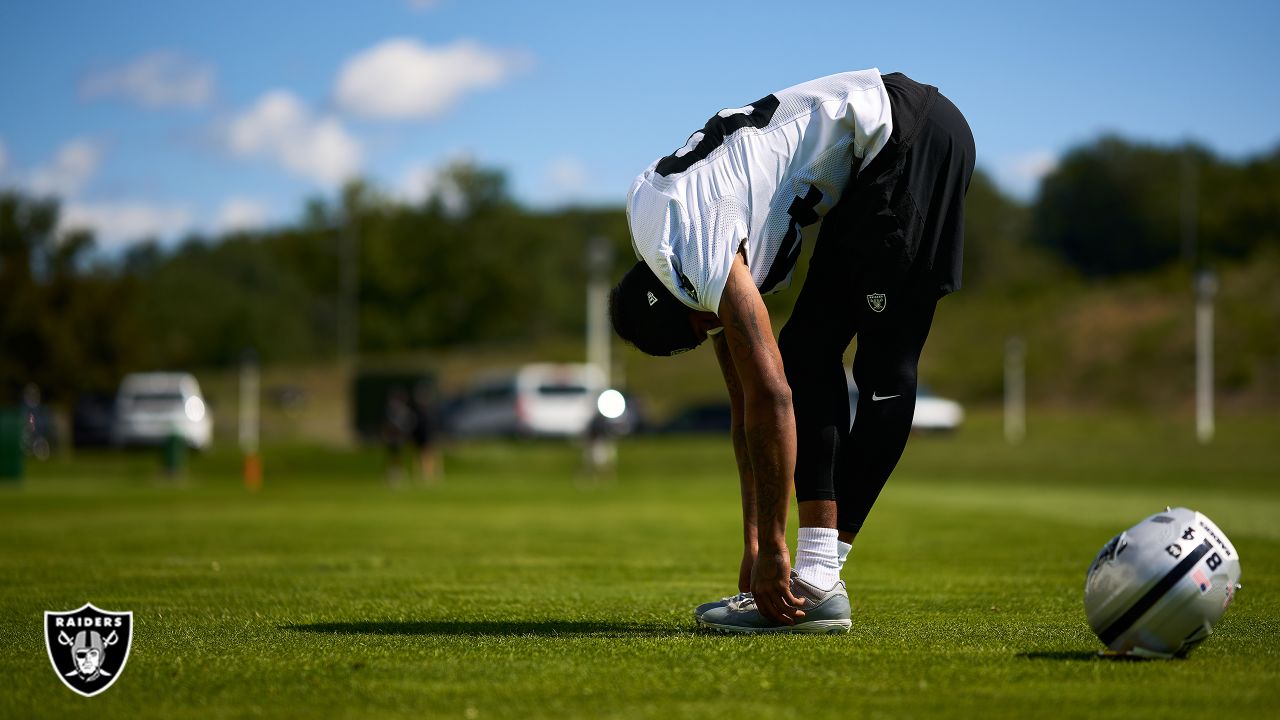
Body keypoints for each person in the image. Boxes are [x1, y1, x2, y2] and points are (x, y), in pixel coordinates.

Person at [609, 69, 974, 633]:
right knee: (804, 352)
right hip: (875, 157)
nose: (715, 327)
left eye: (703, 325)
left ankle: (818, 576)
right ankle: (815, 578)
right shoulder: (674, 248)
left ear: (674, 295)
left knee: (882, 366)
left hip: (908, 137)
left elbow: (772, 398)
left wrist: (778, 545)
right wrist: (755, 539)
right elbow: (745, 412)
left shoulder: (690, 243)